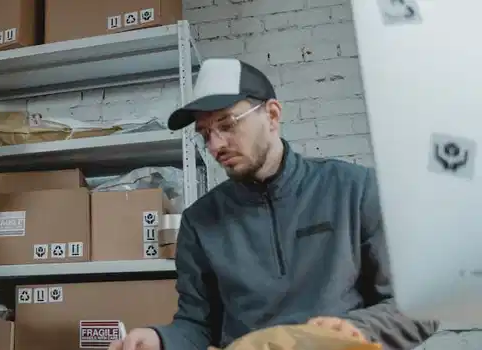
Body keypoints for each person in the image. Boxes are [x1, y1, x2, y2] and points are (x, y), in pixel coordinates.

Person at [109, 59, 438, 350]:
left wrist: (355, 330)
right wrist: (160, 340)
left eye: (227, 124)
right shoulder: (200, 221)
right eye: (205, 133)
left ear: (272, 115)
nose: (215, 145)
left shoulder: (354, 190)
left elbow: (419, 308)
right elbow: (197, 325)